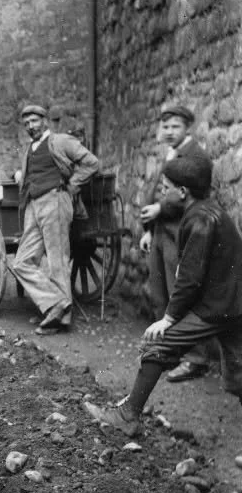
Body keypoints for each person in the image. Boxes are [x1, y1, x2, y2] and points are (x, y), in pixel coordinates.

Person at [84, 156, 242, 437]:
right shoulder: (210, 212)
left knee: (158, 345)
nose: (161, 192)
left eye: (165, 187)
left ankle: (127, 415)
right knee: (239, 374)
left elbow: (190, 279)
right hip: (234, 304)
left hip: (218, 307)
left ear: (182, 192)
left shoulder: (199, 220)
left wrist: (168, 319)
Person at [11, 104, 100, 335]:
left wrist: (72, 186)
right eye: (27, 123)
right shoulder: (28, 148)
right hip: (33, 205)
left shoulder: (60, 141)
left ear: (44, 121)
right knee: (21, 262)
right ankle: (55, 304)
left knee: (57, 260)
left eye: (35, 121)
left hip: (55, 201)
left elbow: (91, 163)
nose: (31, 126)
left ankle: (61, 319)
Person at [139, 105, 212, 382]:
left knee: (181, 293)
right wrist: (148, 229)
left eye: (175, 127)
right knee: (160, 292)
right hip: (160, 232)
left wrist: (160, 209)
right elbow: (156, 189)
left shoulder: (197, 157)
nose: (169, 132)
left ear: (188, 128)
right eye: (166, 127)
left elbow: (194, 197)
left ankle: (196, 359)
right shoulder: (169, 153)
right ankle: (170, 351)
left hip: (180, 233)